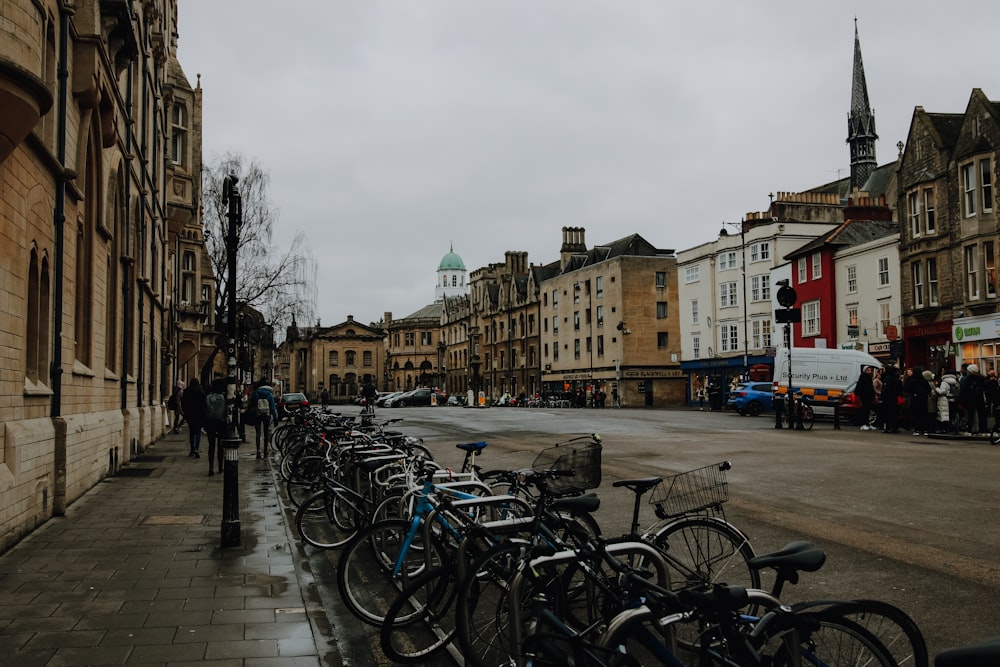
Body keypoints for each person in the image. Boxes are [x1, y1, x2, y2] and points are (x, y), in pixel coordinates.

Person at [248, 379, 279, 458]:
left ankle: (258, 450)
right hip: (267, 415)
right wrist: (275, 418)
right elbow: (272, 408)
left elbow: (251, 404)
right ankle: (265, 451)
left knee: (258, 433)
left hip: (257, 415)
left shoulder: (255, 393)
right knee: (266, 433)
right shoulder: (269, 394)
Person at [204, 378, 228, 476]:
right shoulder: (224, 397)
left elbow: (205, 410)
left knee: (211, 445)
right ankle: (220, 466)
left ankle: (210, 467)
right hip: (221, 422)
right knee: (220, 446)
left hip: (210, 423)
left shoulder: (208, 397)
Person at [180, 378, 206, 458]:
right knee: (198, 432)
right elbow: (203, 404)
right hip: (199, 415)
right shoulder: (201, 392)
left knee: (191, 432)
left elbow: (183, 403)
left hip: (190, 415)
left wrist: (185, 413)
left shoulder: (187, 392)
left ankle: (192, 449)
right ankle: (196, 448)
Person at [961, 363, 988, 435]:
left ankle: (970, 429)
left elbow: (965, 389)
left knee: (971, 415)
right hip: (980, 398)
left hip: (971, 399)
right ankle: (983, 430)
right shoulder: (982, 378)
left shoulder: (968, 379)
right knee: (982, 414)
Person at [880, 365, 902, 433]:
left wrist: (882, 395)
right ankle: (895, 427)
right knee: (894, 413)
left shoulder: (887, 379)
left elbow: (885, 389)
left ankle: (888, 427)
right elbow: (900, 389)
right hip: (895, 398)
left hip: (887, 399)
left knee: (887, 413)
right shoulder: (897, 379)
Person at [855, 366, 876, 431]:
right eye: (868, 370)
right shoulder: (863, 377)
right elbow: (859, 388)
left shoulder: (869, 378)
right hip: (864, 397)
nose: (870, 372)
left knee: (868, 411)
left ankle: (868, 424)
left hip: (869, 397)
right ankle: (864, 424)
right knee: (864, 410)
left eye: (871, 370)